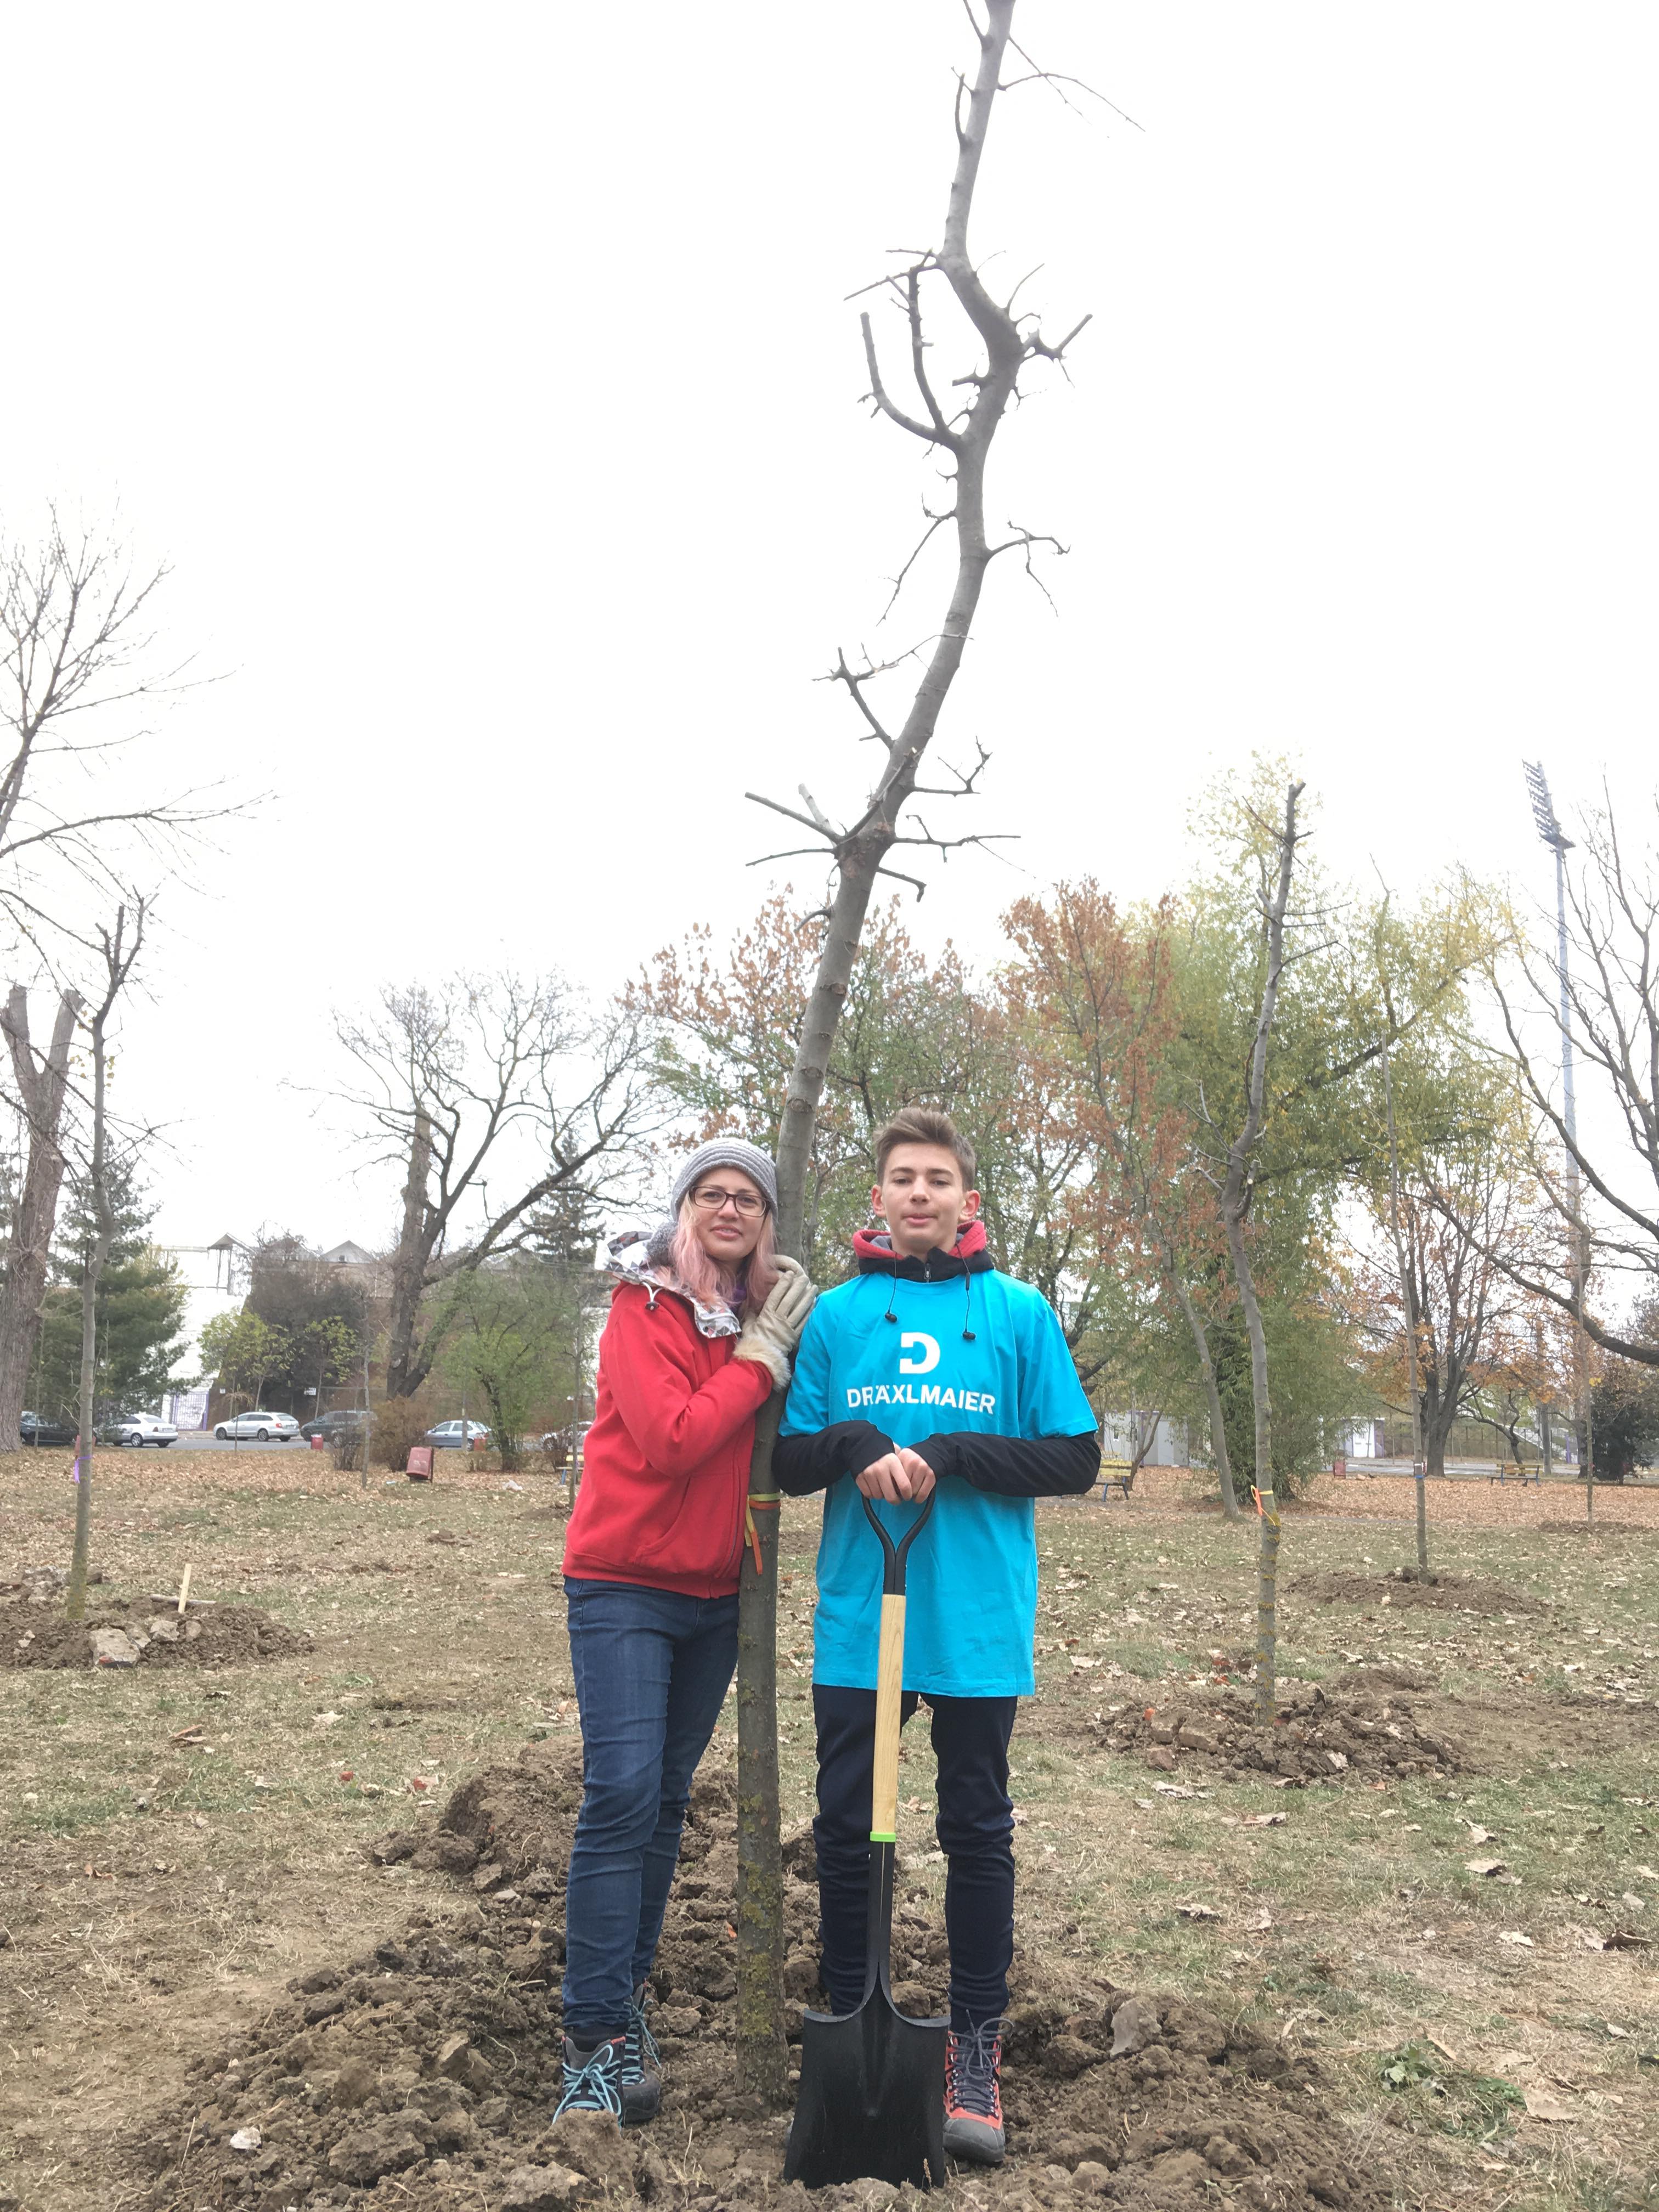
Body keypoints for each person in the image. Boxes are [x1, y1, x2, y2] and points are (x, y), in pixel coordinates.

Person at [776, 1107, 1099, 2167]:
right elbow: (789, 1455)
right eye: (902, 1179)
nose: (920, 1195)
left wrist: (954, 1449)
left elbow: (1075, 1459)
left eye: (939, 1180)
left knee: (975, 1829)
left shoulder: (1017, 1314)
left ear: (969, 1202)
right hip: (862, 1612)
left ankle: (972, 2043)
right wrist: (863, 1442)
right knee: (846, 1827)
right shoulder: (834, 1317)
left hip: (972, 1615)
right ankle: (847, 2020)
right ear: (878, 1200)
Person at [555, 1139, 815, 2123]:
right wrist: (756, 1365)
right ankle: (588, 2040)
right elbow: (671, 1442)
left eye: (750, 1198)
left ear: (767, 1220)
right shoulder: (644, 1308)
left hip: (717, 1599)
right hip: (623, 1586)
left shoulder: (756, 1318)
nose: (730, 1210)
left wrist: (791, 1345)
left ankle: (620, 2009)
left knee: (664, 1803)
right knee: (620, 1795)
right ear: (683, 1209)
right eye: (712, 1194)